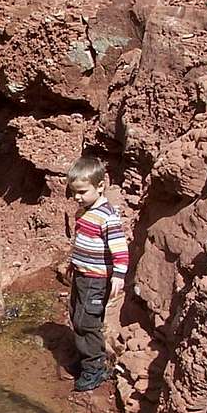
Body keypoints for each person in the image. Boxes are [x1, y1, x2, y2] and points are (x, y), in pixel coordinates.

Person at [65, 153, 128, 392]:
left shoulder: (107, 217)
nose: (77, 197)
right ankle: (85, 358)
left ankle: (95, 368)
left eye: (82, 192)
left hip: (96, 279)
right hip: (82, 274)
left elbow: (119, 248)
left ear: (100, 186)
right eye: (74, 192)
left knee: (87, 321)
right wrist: (74, 263)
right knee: (76, 315)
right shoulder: (84, 212)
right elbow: (81, 242)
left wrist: (119, 275)